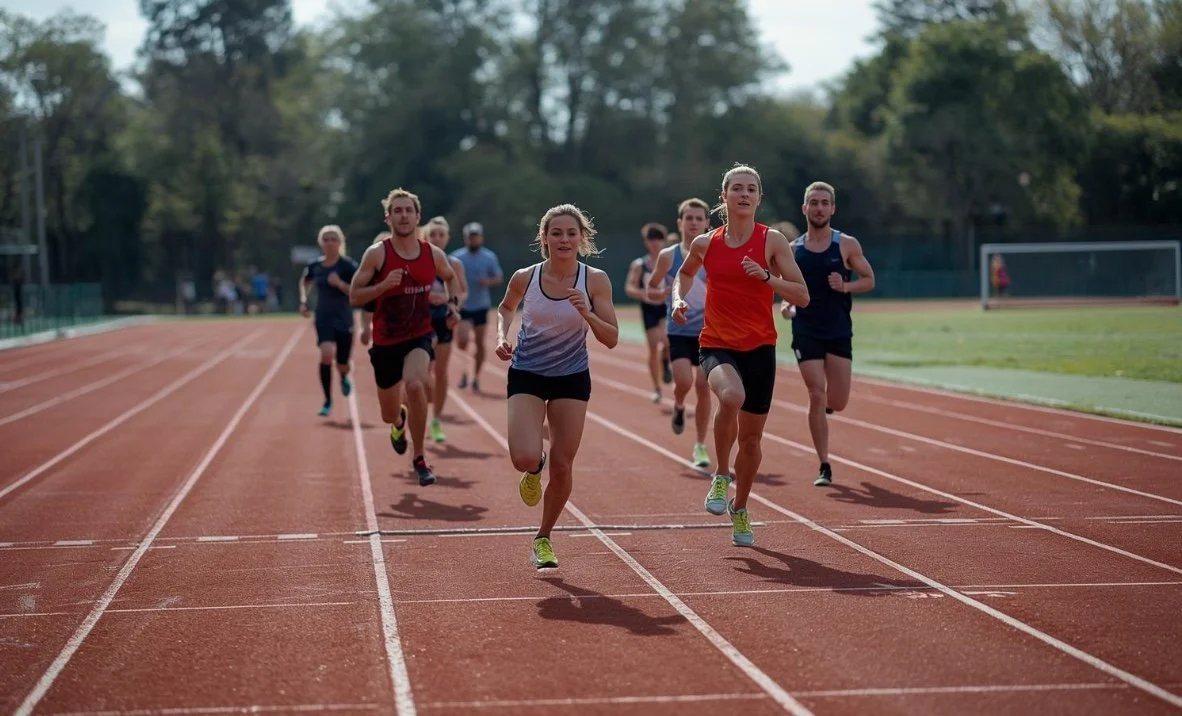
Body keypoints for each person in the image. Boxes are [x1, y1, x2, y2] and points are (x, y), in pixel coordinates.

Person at [672, 164, 810, 547]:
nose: (744, 194)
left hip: (760, 348)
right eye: (737, 188)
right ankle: (721, 475)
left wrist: (767, 278)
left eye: (751, 188)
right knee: (732, 396)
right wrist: (679, 299)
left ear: (759, 197)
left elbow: (802, 295)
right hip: (716, 342)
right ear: (724, 196)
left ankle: (742, 507)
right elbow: (684, 274)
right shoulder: (706, 243)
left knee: (751, 441)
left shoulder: (772, 241)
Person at [495, 204, 618, 569]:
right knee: (524, 457)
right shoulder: (526, 276)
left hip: (571, 376)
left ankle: (543, 537)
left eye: (571, 233)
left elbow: (611, 338)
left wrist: (588, 313)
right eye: (556, 233)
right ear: (544, 238)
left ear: (582, 238)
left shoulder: (595, 280)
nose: (564, 239)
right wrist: (502, 336)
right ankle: (535, 467)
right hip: (528, 372)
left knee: (563, 465)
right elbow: (505, 308)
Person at [350, 189, 461, 487]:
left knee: (415, 385)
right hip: (385, 342)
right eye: (397, 211)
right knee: (388, 414)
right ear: (388, 218)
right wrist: (382, 286)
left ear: (417, 216)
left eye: (408, 210)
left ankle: (420, 457)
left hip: (419, 336)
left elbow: (451, 278)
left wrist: (453, 306)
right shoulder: (377, 254)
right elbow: (355, 295)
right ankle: (398, 422)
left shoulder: (432, 254)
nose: (403, 215)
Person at [779, 181, 875, 488]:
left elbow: (869, 280)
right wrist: (787, 307)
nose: (819, 208)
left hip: (837, 330)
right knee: (816, 394)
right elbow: (786, 289)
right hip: (805, 329)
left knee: (839, 401)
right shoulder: (793, 250)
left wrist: (845, 286)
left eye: (824, 203)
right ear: (804, 208)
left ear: (832, 208)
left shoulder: (846, 245)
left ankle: (830, 406)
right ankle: (824, 464)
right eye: (814, 202)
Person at [647, 198, 713, 468]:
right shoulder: (668, 256)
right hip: (679, 330)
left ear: (707, 223)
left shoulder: (714, 253)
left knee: (704, 386)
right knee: (684, 382)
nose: (694, 223)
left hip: (709, 331)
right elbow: (651, 287)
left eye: (699, 218)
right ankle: (678, 404)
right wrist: (661, 293)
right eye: (689, 218)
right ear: (680, 223)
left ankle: (700, 445)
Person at [299, 225, 360, 417]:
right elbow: (305, 282)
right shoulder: (315, 265)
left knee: (343, 363)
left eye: (333, 239)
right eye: (326, 239)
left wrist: (340, 284)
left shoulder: (348, 266)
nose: (330, 243)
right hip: (323, 316)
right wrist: (303, 301)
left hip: (344, 317)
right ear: (321, 243)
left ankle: (343, 375)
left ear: (340, 242)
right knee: (326, 354)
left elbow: (358, 291)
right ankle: (327, 400)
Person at [423, 217, 468, 443]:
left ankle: (436, 420)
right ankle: (420, 408)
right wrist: (428, 296)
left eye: (441, 235)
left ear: (448, 238)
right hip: (421, 319)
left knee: (440, 372)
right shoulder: (419, 260)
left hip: (444, 320)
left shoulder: (454, 264)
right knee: (422, 373)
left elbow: (462, 291)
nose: (437, 238)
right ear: (426, 237)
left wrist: (453, 306)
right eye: (433, 235)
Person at [452, 222, 504, 393]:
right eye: (470, 237)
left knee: (480, 343)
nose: (473, 239)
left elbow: (498, 277)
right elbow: (448, 278)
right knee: (462, 341)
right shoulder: (456, 257)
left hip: (481, 305)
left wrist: (487, 281)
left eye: (476, 236)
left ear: (481, 238)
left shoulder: (489, 257)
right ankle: (464, 370)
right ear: (465, 238)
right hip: (464, 305)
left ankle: (475, 377)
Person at [625, 223, 674, 402]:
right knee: (653, 346)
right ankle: (657, 389)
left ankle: (666, 361)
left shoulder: (670, 262)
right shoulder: (640, 265)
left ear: (664, 241)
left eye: (659, 238)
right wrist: (647, 294)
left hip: (666, 306)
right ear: (646, 242)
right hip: (649, 308)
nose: (655, 243)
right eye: (651, 239)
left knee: (667, 342)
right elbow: (629, 288)